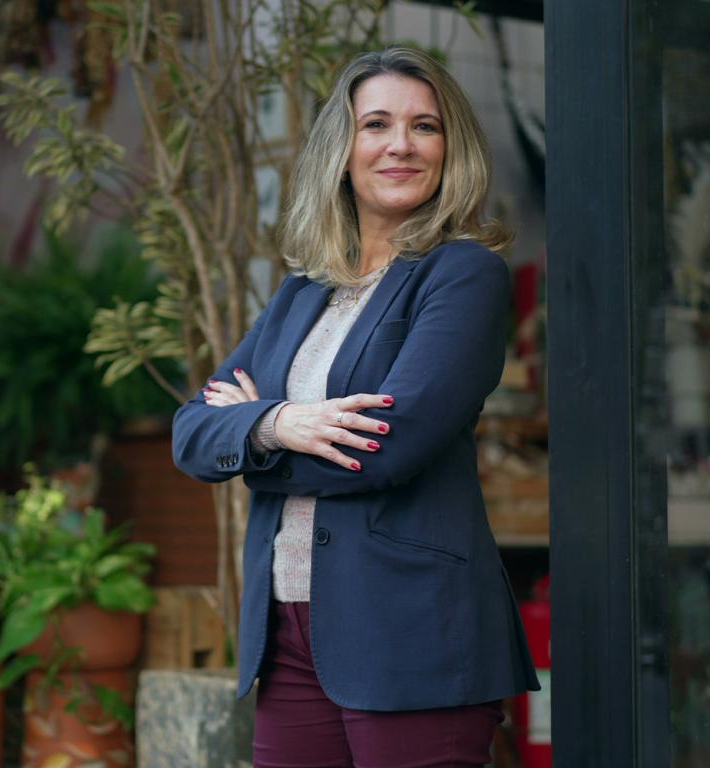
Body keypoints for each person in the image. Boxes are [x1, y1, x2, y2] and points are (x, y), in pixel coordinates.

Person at [172, 46, 539, 768]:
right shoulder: (303, 290)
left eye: (424, 126)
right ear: (342, 150)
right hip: (288, 631)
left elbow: (387, 445)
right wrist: (279, 423)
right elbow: (192, 431)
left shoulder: (463, 276)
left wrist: (254, 442)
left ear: (450, 149)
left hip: (410, 631)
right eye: (376, 124)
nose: (400, 144)